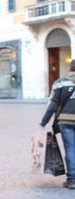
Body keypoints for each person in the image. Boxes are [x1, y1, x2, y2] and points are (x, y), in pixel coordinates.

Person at [40, 59, 75, 189]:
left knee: (70, 149)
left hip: (65, 121)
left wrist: (44, 122)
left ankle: (72, 180)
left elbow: (53, 105)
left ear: (70, 68)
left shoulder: (60, 83)